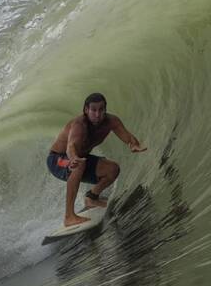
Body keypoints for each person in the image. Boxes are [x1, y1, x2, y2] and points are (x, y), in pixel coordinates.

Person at [46, 92, 146, 226]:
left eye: (101, 110)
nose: (97, 114)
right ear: (86, 110)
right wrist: (74, 158)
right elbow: (71, 146)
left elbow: (127, 137)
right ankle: (69, 216)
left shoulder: (111, 121)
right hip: (58, 160)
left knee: (112, 169)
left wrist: (134, 145)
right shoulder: (79, 125)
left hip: (81, 158)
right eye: (93, 110)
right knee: (79, 165)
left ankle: (91, 197)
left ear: (105, 109)